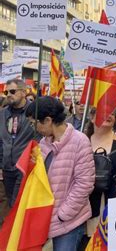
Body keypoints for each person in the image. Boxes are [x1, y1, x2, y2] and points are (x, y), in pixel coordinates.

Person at [25, 96, 95, 250]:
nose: (33, 128)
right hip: (46, 217)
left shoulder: (80, 141)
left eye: (34, 123)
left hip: (68, 221)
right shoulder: (44, 142)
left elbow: (84, 184)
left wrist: (63, 215)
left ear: (48, 120)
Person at [84, 108, 116, 237]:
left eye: (112, 113)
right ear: (92, 117)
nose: (109, 115)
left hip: (115, 201)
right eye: (103, 111)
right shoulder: (82, 140)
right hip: (88, 203)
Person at [0, 79, 37, 207]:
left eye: (12, 91)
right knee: (11, 202)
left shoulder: (34, 110)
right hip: (7, 168)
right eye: (6, 92)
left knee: (17, 204)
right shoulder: (2, 114)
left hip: (24, 167)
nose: (9, 94)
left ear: (23, 92)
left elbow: (39, 138)